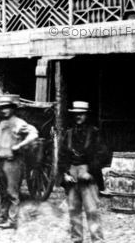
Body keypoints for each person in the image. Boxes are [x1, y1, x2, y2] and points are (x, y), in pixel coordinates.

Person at [57, 101, 106, 243]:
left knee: (92, 210)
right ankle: (76, 239)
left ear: (87, 115)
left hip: (88, 175)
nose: (78, 116)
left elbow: (103, 154)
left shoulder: (95, 133)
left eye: (81, 114)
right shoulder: (68, 134)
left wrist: (90, 171)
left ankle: (97, 240)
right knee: (73, 210)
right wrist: (65, 173)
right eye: (76, 114)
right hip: (72, 174)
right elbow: (62, 155)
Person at [0, 99, 38, 229]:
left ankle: (12, 220)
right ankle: (3, 217)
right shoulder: (1, 123)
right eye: (1, 108)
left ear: (12, 108)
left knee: (12, 192)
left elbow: (34, 134)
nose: (3, 110)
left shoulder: (19, 123)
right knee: (3, 192)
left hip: (13, 162)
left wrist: (20, 145)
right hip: (2, 161)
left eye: (6, 107)